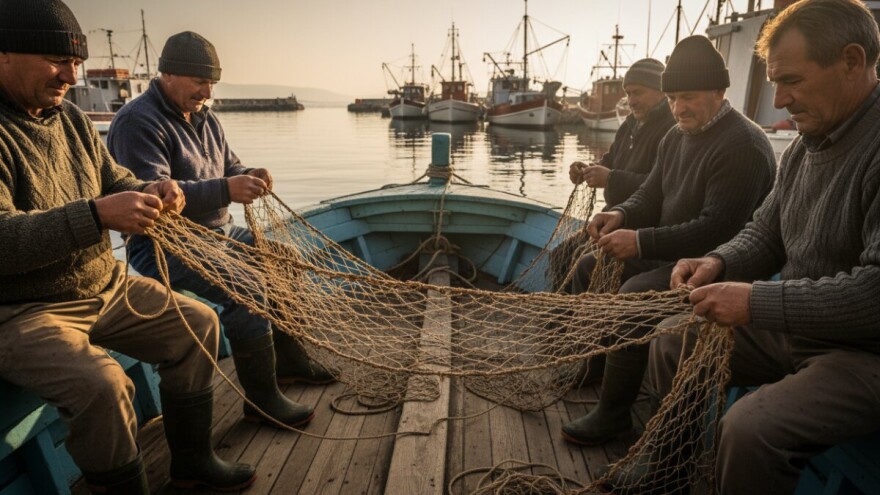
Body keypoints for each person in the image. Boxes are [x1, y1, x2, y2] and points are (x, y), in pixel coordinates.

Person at [0, 1, 255, 493]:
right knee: (106, 385)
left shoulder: (70, 118)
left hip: (104, 286)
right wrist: (96, 215)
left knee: (198, 324)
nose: (70, 75)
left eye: (76, 63)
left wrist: (153, 190)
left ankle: (191, 465)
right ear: (5, 52)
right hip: (21, 310)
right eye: (57, 60)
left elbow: (115, 178)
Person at [646, 1, 880, 493]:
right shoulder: (805, 145)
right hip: (797, 330)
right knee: (672, 340)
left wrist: (755, 300)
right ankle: (666, 474)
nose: (778, 100)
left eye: (791, 80)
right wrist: (718, 261)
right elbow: (766, 231)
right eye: (774, 82)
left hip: (864, 355)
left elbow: (875, 293)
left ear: (852, 61)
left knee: (751, 430)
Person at [107, 32, 332, 429]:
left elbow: (231, 166)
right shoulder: (136, 121)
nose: (207, 91)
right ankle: (261, 400)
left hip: (221, 233)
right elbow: (154, 198)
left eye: (212, 83)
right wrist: (227, 189)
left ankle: (289, 364)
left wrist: (248, 175)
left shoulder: (205, 116)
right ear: (168, 73)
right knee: (246, 286)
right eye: (199, 81)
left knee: (285, 259)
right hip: (167, 246)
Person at [561, 35, 777, 447]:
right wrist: (621, 213)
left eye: (689, 96)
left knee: (634, 294)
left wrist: (640, 241)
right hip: (669, 255)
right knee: (590, 266)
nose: (679, 108)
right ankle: (594, 367)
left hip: (714, 267)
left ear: (719, 91)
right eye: (674, 97)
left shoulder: (743, 145)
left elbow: (716, 229)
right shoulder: (674, 136)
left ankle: (614, 416)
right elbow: (651, 194)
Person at [568, 58, 675, 212]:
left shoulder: (671, 130)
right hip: (613, 214)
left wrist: (610, 179)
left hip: (642, 223)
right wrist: (588, 171)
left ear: (660, 92)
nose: (631, 101)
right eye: (628, 94)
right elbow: (611, 159)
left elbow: (661, 184)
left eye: (638, 93)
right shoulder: (628, 126)